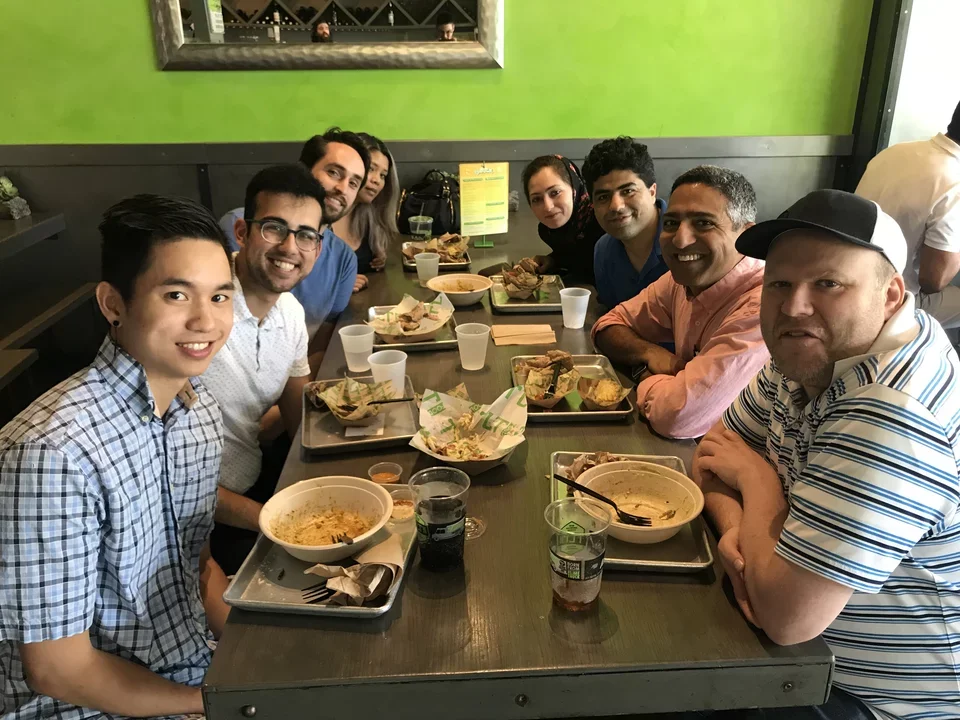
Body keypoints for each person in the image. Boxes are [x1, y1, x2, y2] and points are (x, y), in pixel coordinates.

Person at [693, 189, 960, 720]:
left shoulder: (891, 412)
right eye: (780, 284)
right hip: (800, 657)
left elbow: (787, 619)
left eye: (828, 284)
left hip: (870, 697)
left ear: (890, 295)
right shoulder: (808, 350)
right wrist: (737, 536)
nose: (795, 306)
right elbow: (709, 455)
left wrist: (757, 480)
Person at [0, 195, 235, 719]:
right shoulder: (52, 452)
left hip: (191, 668)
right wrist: (215, 705)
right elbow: (57, 669)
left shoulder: (199, 414)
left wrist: (262, 664)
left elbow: (199, 572)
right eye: (177, 294)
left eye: (221, 297)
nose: (206, 320)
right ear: (113, 304)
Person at [204, 165, 324, 574]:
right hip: (198, 525)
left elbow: (299, 421)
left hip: (256, 486)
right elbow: (165, 481)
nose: (291, 247)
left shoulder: (290, 312)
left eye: (306, 235)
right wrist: (278, 522)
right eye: (274, 228)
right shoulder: (201, 316)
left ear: (317, 249)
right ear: (242, 232)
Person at [592, 166, 768, 439]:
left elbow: (678, 417)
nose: (680, 240)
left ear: (747, 237)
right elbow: (608, 326)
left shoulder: (762, 306)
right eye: (672, 223)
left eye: (703, 223)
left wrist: (646, 378)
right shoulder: (680, 280)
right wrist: (651, 355)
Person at [220, 127, 369, 366]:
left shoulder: (344, 260)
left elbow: (319, 346)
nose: (342, 188)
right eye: (334, 172)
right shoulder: (240, 226)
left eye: (354, 183)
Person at [856, 99, 960, 327]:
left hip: (852, 275)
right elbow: (934, 281)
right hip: (892, 298)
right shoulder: (954, 183)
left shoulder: (895, 151)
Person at [582, 137, 669, 308]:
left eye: (628, 191)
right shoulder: (604, 251)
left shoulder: (686, 242)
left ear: (652, 192)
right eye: (603, 197)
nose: (616, 206)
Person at [521, 155, 605, 285]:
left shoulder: (603, 222)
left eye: (555, 193)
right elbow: (575, 258)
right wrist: (553, 260)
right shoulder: (549, 231)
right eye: (536, 199)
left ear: (574, 188)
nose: (548, 207)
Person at [332, 132, 400, 292]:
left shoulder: (369, 217)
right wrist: (339, 282)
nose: (376, 180)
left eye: (383, 175)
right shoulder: (320, 216)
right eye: (371, 169)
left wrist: (378, 259)